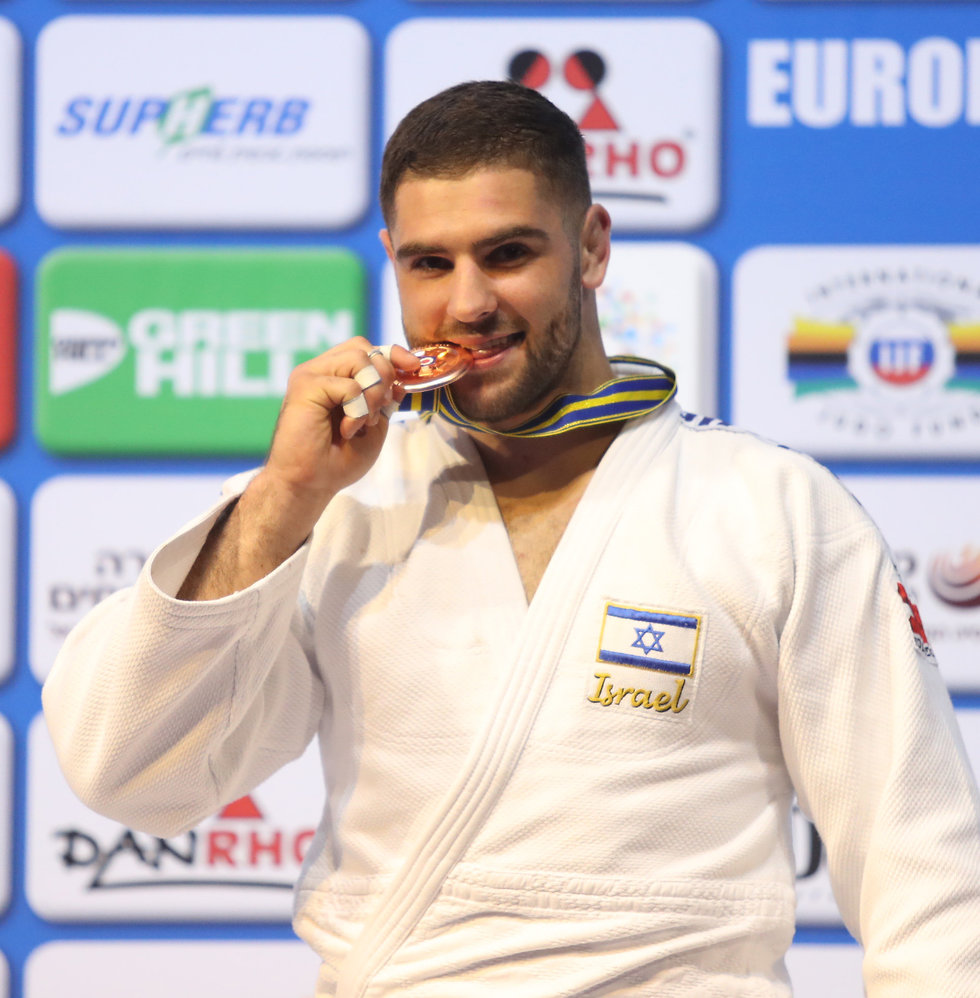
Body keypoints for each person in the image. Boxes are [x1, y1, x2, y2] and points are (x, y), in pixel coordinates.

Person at [43, 80, 980, 997]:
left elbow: (924, 868)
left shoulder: (773, 507)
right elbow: (126, 770)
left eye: (507, 253)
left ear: (592, 246)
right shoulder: (335, 507)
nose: (468, 302)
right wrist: (285, 496)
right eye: (430, 264)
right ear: (391, 261)